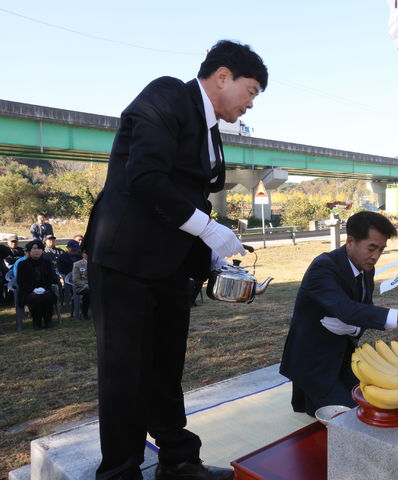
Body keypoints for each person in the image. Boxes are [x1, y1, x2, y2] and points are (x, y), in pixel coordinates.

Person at [83, 40, 268, 480]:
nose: (250, 104)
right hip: (125, 259)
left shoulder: (210, 130)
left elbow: (190, 196)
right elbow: (145, 178)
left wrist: (214, 256)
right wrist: (207, 229)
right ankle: (120, 471)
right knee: (125, 372)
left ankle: (179, 460)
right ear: (222, 76)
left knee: (167, 367)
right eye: (251, 91)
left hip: (168, 266)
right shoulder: (167, 94)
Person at [280, 211, 398, 417]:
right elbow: (346, 309)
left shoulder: (366, 267)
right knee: (353, 415)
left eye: (381, 249)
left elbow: (364, 308)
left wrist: (355, 327)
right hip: (314, 364)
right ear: (350, 241)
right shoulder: (323, 267)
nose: (376, 256)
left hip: (345, 357)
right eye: (372, 248)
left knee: (379, 403)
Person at [16, 240, 59, 329]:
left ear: (42, 251)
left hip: (45, 289)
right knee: (35, 298)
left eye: (40, 248)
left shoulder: (47, 263)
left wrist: (44, 288)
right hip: (28, 291)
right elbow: (21, 281)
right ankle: (37, 322)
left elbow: (50, 279)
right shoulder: (22, 264)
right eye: (34, 248)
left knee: (47, 296)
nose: (37, 251)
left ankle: (48, 321)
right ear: (29, 251)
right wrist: (33, 290)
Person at [71, 252, 90, 319]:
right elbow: (75, 280)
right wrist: (85, 285)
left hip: (95, 286)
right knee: (88, 291)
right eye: (86, 253)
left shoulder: (96, 263)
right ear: (83, 254)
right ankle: (84, 313)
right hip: (81, 287)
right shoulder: (77, 264)